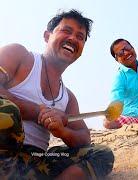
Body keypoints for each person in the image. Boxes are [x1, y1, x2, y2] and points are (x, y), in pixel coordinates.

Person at [0, 9, 114, 179]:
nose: (73, 39)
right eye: (66, 31)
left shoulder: (68, 98)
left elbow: (84, 138)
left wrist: (62, 131)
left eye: (80, 37)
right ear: (47, 36)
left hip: (36, 159)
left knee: (101, 154)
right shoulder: (19, 55)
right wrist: (40, 112)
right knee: (7, 110)